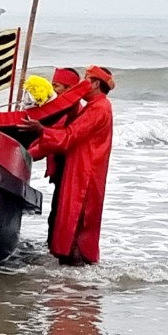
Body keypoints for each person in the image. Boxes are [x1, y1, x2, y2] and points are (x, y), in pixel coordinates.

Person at [24, 65, 115, 266]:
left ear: (96, 84)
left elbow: (69, 136)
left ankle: (74, 271)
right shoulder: (94, 107)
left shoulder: (99, 108)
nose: (84, 84)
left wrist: (40, 132)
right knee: (69, 217)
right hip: (82, 165)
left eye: (87, 79)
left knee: (76, 217)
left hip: (85, 169)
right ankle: (72, 271)